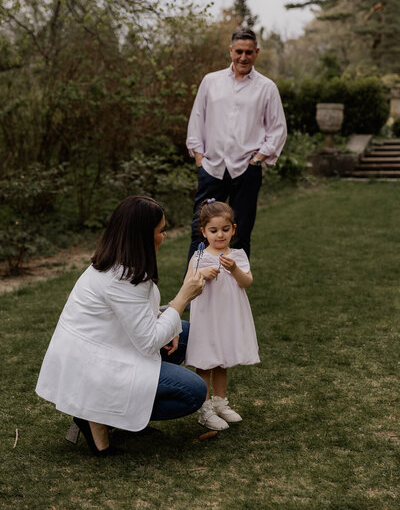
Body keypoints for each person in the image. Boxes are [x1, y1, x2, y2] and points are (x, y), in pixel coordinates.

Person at [35, 195, 207, 455]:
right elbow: (148, 342)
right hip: (95, 367)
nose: (165, 235)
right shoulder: (122, 278)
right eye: (161, 231)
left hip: (109, 349)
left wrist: (169, 323)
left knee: (185, 334)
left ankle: (112, 412)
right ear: (142, 236)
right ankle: (99, 415)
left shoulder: (119, 263)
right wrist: (183, 298)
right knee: (194, 391)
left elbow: (133, 317)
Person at [186, 27, 287, 262]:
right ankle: (193, 295)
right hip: (212, 169)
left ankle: (234, 295)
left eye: (249, 52)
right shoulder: (210, 81)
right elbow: (196, 120)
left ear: (257, 53)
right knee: (200, 233)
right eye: (239, 51)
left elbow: (277, 129)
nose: (243, 57)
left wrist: (257, 160)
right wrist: (200, 160)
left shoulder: (267, 87)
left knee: (239, 234)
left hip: (246, 171)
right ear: (230, 51)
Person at [185, 199, 260, 431]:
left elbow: (247, 282)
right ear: (203, 231)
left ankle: (220, 402)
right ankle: (205, 408)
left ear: (233, 230)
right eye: (214, 230)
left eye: (225, 230)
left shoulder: (237, 255)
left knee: (222, 360)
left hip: (228, 317)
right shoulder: (199, 257)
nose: (220, 235)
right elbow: (187, 284)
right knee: (206, 360)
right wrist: (202, 274)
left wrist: (235, 269)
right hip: (207, 317)